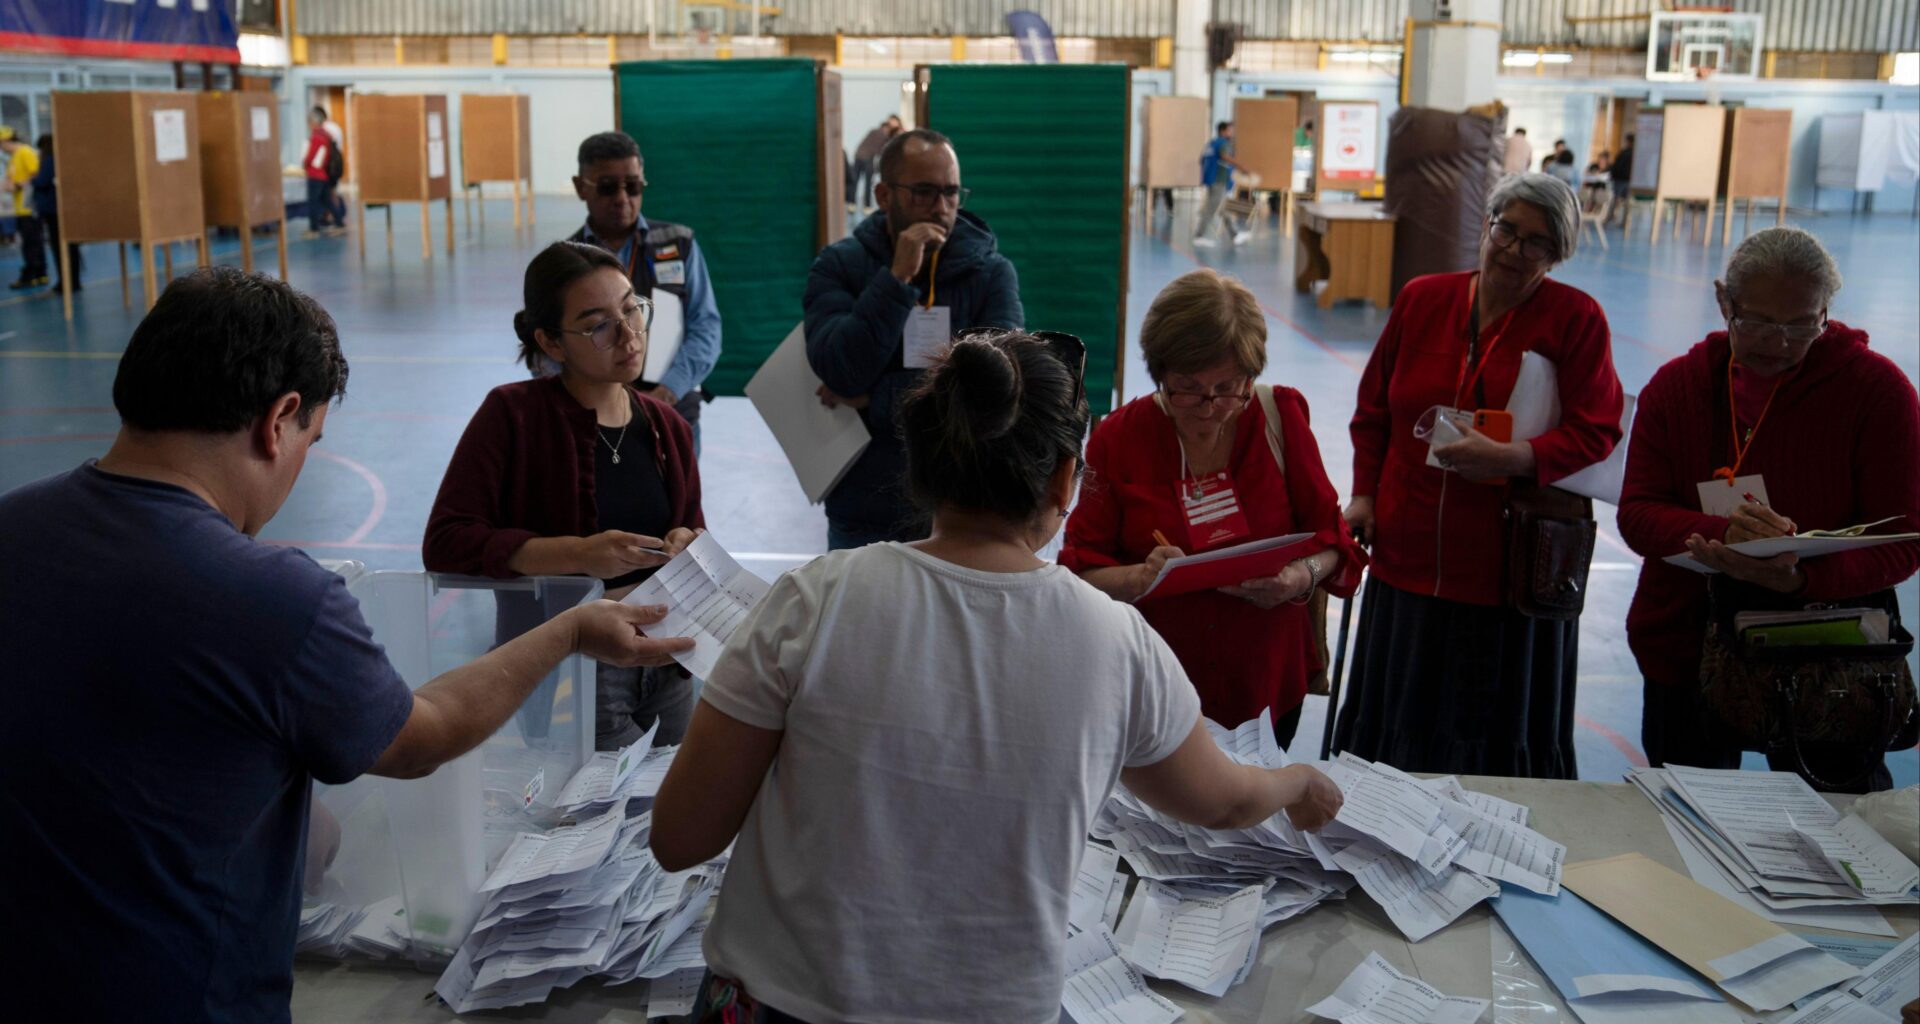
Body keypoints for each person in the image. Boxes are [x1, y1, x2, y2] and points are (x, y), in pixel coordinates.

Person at [0, 266, 687, 1022]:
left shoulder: (14, 529)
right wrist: (569, 629)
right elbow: (419, 739)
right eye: (312, 440)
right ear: (279, 419)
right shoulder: (271, 596)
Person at [651, 331, 1345, 1023]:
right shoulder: (1115, 640)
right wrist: (1297, 783)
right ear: (1065, 480)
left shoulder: (815, 599)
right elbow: (1221, 801)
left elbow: (679, 838)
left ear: (921, 460)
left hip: (777, 1004)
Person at [1336, 173, 1624, 778]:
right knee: (1394, 736)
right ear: (1486, 226)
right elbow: (1374, 413)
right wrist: (1364, 495)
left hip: (1504, 573)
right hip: (1406, 554)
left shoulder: (1577, 319)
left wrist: (1515, 458)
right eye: (1507, 231)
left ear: (1558, 255)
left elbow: (1598, 429)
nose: (1514, 251)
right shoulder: (1422, 299)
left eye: (1537, 244)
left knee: (1483, 749)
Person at [1618, 228, 1920, 793]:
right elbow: (1637, 512)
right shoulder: (1675, 388)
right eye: (1757, 322)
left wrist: (1803, 573)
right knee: (1689, 826)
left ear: (1825, 312)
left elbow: (1904, 538)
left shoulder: (1878, 392)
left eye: (1801, 325)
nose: (1778, 344)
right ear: (1723, 301)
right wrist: (1725, 536)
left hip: (1829, 655)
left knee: (1844, 832)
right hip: (1685, 643)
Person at [424, 242, 707, 750]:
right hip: (570, 671)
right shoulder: (512, 416)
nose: (628, 334)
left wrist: (690, 541)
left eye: (631, 309)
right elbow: (448, 540)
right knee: (592, 820)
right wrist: (577, 555)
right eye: (599, 324)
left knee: (668, 813)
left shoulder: (667, 425)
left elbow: (692, 529)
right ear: (551, 342)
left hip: (667, 659)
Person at [1062, 269, 1365, 741]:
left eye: (1228, 388)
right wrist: (1143, 577)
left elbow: (1334, 541)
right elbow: (1078, 573)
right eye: (1187, 388)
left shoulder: (1279, 417)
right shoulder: (1119, 438)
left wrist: (1298, 577)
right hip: (1157, 689)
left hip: (1264, 684)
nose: (1209, 406)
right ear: (1159, 370)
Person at [804, 127, 1023, 549]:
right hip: (864, 506)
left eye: (952, 193)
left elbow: (996, 391)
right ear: (884, 195)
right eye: (924, 192)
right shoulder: (839, 266)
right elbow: (842, 371)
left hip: (963, 507)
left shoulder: (991, 273)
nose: (941, 208)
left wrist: (878, 399)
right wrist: (896, 278)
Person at [565, 131, 722, 449]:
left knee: (678, 500)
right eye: (608, 187)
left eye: (633, 186)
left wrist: (666, 392)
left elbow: (706, 327)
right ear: (581, 187)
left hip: (673, 412)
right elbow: (550, 349)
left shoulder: (679, 244)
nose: (622, 198)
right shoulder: (564, 263)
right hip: (595, 425)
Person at [30, 133, 80, 290]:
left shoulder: (49, 160)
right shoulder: (63, 158)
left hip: (53, 210)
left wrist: (31, 179)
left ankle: (66, 282)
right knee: (70, 248)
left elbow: (42, 181)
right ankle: (72, 281)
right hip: (65, 208)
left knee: (60, 247)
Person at [1, 126, 47, 289]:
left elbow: (35, 175)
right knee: (31, 242)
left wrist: (18, 186)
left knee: (31, 242)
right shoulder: (13, 158)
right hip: (20, 207)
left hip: (30, 206)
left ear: (6, 141)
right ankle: (38, 273)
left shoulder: (25, 153)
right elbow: (9, 181)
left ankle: (33, 274)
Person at [1194, 121, 1251, 248]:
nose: (1232, 133)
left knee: (1224, 208)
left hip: (1210, 179)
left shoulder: (1210, 144)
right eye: (1230, 130)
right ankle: (1199, 236)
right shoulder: (1223, 144)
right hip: (1218, 181)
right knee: (1211, 208)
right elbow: (1225, 156)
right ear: (1223, 131)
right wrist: (1241, 167)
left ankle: (1234, 235)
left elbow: (1201, 160)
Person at [300, 106, 342, 237]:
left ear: (313, 122)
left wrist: (305, 164)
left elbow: (311, 156)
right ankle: (339, 223)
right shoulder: (327, 135)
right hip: (323, 173)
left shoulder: (317, 136)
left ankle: (314, 229)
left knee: (313, 202)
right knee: (328, 200)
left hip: (315, 174)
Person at [851, 114, 900, 211]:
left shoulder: (873, 131)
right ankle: (867, 206)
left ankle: (852, 204)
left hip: (858, 155)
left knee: (855, 181)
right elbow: (882, 151)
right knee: (868, 183)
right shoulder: (884, 136)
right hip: (868, 158)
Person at [1608, 134, 1635, 225]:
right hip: (1627, 180)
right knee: (1625, 201)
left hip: (1620, 179)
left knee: (1615, 199)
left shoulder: (1624, 153)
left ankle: (1611, 217)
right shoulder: (1633, 153)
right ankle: (1624, 221)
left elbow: (1616, 165)